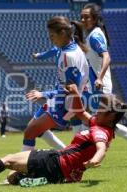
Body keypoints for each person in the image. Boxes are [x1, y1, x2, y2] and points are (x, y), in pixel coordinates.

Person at [31, 3, 127, 163]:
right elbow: (58, 49)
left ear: (95, 18)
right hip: (88, 87)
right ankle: (71, 154)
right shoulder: (87, 36)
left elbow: (107, 57)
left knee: (97, 123)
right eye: (82, 16)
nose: (83, 19)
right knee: (79, 116)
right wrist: (40, 55)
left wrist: (99, 77)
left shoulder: (95, 36)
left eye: (87, 17)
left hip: (99, 87)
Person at [0, 84, 127, 187]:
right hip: (60, 165)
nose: (97, 111)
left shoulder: (102, 131)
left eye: (101, 109)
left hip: (56, 162)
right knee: (13, 177)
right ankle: (40, 179)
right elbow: (80, 113)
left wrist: (95, 159)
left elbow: (101, 147)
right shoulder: (99, 123)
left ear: (110, 116)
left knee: (8, 160)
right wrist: (76, 94)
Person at [21, 16, 89, 152]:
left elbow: (71, 90)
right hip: (58, 99)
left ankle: (23, 170)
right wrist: (39, 56)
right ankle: (68, 154)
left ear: (63, 33)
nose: (50, 39)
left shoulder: (69, 57)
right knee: (33, 129)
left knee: (30, 132)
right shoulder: (69, 46)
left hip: (63, 104)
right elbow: (53, 50)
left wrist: (43, 94)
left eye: (52, 36)